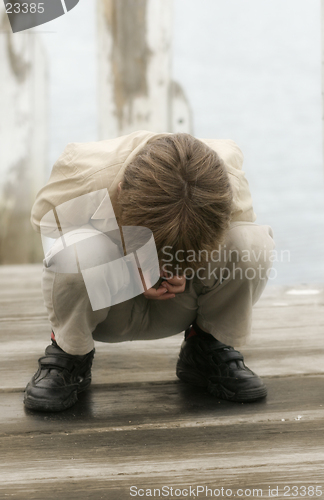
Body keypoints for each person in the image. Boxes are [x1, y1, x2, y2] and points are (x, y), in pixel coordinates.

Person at [24, 130, 275, 412]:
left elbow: (232, 242)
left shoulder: (226, 174)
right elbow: (44, 223)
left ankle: (205, 347)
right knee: (73, 252)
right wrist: (131, 259)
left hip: (181, 302)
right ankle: (70, 353)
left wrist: (186, 264)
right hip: (107, 302)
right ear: (121, 191)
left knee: (251, 245)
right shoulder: (85, 171)